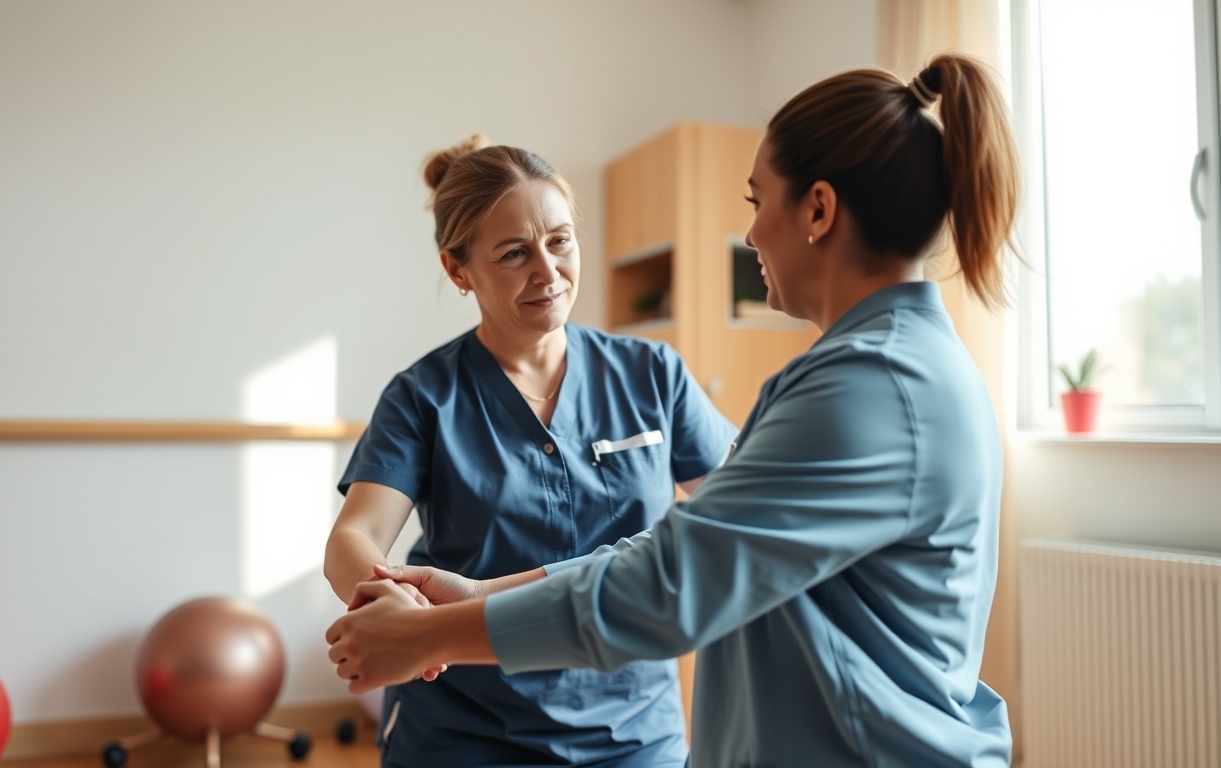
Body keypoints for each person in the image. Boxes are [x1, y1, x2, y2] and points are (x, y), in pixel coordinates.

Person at [327, 51, 1019, 768]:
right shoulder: (877, 372)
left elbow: (672, 580)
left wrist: (430, 635)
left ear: (817, 209)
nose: (750, 234)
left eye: (756, 202)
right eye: (513, 253)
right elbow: (688, 549)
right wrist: (475, 595)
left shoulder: (865, 389)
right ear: (459, 268)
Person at [322, 135, 737, 767]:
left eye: (561, 240)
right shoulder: (423, 396)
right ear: (458, 270)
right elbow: (352, 541)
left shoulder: (653, 374)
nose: (548, 271)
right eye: (515, 253)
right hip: (467, 729)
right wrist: (402, 615)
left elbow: (739, 510)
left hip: (633, 729)